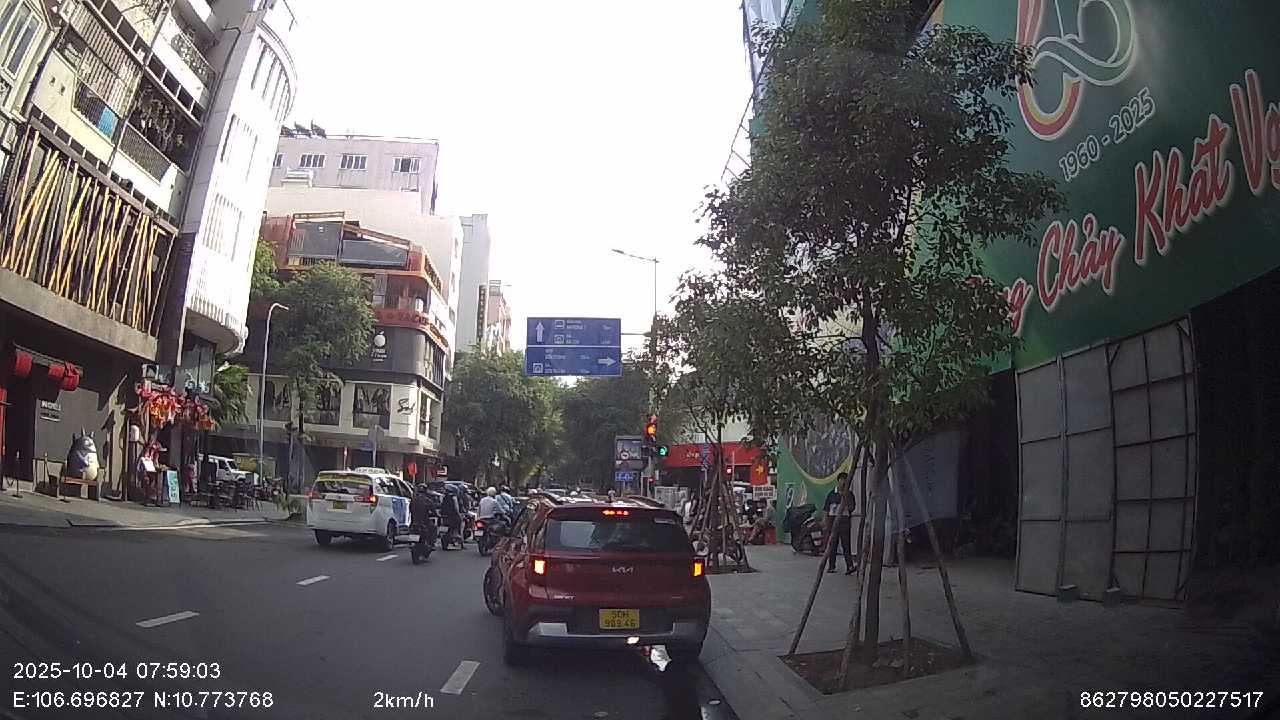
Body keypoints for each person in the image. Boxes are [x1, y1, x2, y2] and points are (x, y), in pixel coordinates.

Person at [823, 473, 856, 574]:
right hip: (833, 520)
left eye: (845, 480)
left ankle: (849, 566)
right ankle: (831, 566)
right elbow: (826, 509)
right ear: (838, 481)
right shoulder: (831, 494)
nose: (843, 482)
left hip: (844, 521)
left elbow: (852, 508)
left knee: (846, 544)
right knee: (833, 544)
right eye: (842, 480)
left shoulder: (849, 494)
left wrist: (845, 498)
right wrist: (826, 522)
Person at [441, 484, 463, 549]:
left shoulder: (444, 497)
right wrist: (458, 514)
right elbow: (456, 507)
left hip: (445, 516)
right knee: (458, 524)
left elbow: (441, 505)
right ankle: (457, 537)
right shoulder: (453, 497)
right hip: (452, 515)